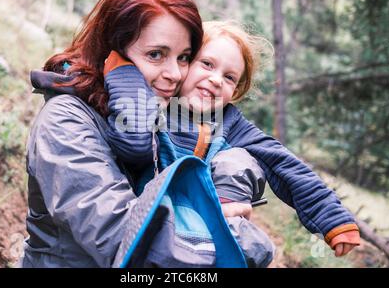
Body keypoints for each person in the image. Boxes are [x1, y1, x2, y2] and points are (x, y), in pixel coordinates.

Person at [99, 20, 361, 259]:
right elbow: (131, 140)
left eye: (229, 77)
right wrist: (126, 75)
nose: (215, 80)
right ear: (185, 63)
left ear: (235, 91)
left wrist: (332, 217)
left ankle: (226, 224)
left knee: (240, 166)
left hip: (208, 224)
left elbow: (285, 164)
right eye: (207, 64)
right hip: (153, 219)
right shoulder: (155, 102)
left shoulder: (231, 124)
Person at [20, 0, 206, 268]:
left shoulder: (159, 112)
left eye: (183, 57)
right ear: (112, 54)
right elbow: (126, 239)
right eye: (155, 54)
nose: (175, 74)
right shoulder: (64, 120)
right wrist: (239, 242)